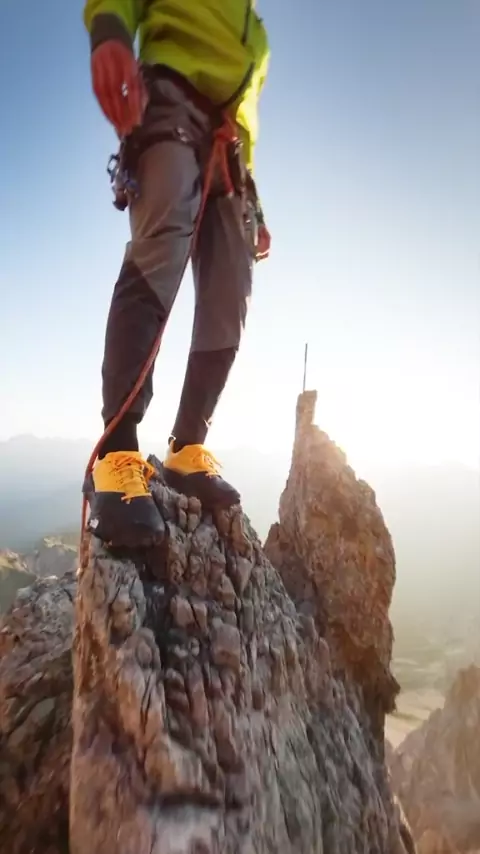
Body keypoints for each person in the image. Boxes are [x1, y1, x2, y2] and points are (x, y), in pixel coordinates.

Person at [83, 0, 271, 548]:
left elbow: (248, 115)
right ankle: (116, 454)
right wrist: (110, 31)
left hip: (233, 154)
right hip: (170, 101)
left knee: (231, 294)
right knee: (158, 255)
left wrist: (257, 205)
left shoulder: (255, 31)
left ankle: (187, 446)